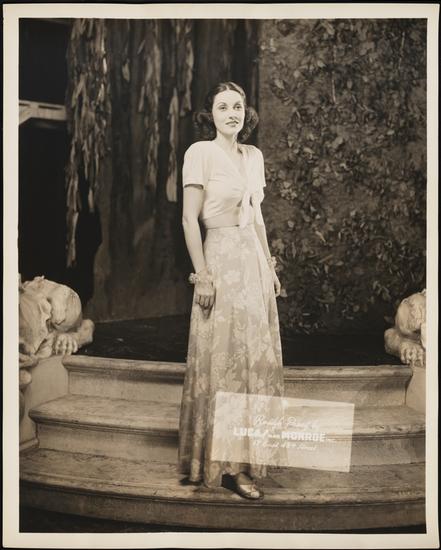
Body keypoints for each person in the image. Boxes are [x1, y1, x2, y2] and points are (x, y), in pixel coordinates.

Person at [178, 82, 284, 500]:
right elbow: (189, 219)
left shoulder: (253, 156)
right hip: (219, 260)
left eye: (237, 106)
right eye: (223, 107)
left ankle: (243, 463)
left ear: (246, 113)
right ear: (211, 114)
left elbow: (256, 217)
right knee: (221, 361)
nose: (232, 113)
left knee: (253, 362)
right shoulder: (199, 153)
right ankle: (220, 463)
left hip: (252, 264)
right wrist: (202, 276)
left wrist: (269, 266)